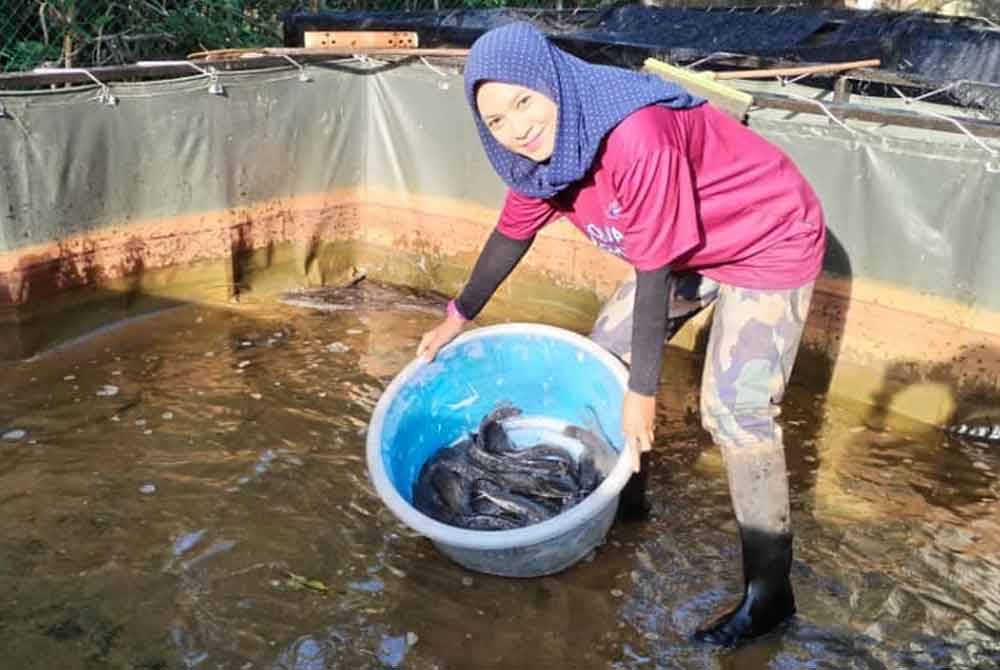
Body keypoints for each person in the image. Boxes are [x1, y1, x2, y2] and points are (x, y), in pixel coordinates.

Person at [415, 21, 826, 648]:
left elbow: (655, 265)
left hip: (764, 235)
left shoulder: (637, 134)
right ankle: (625, 499)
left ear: (551, 79)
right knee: (606, 348)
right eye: (496, 121)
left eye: (524, 100)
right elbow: (513, 232)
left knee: (734, 411)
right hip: (686, 243)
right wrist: (458, 313)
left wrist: (644, 392)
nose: (518, 128)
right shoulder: (539, 157)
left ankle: (769, 595)